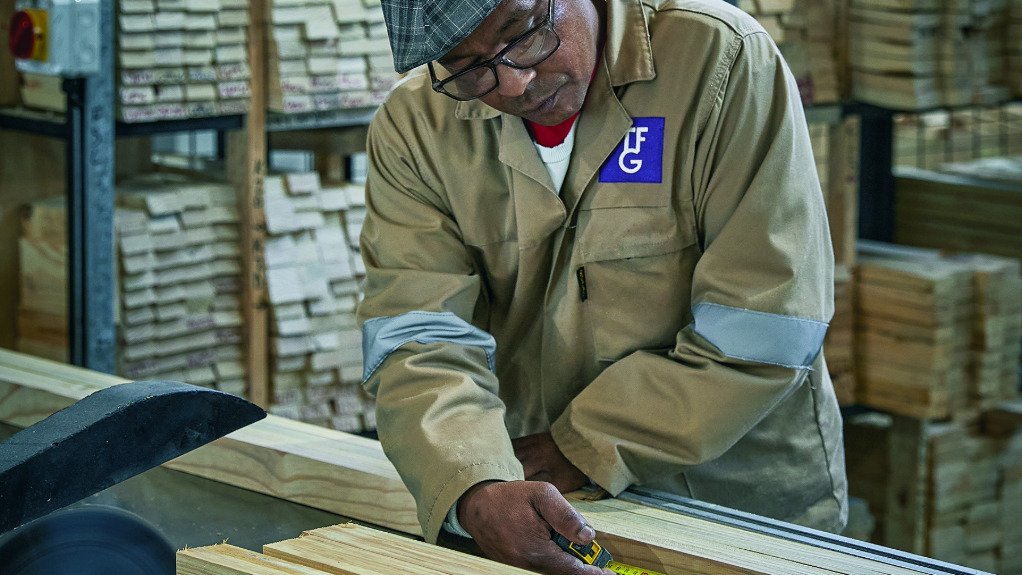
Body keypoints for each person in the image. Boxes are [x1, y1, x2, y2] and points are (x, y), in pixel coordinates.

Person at [357, 0, 848, 572]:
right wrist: (473, 481)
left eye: (523, 33)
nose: (513, 83)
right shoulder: (415, 126)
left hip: (731, 506)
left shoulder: (718, 59)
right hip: (543, 501)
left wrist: (583, 444)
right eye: (468, 67)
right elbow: (420, 334)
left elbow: (767, 321)